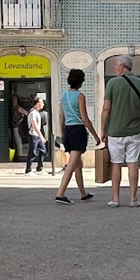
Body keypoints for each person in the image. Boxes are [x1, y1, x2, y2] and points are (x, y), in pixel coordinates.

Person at [99, 54, 140, 208]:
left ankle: (115, 199)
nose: (115, 67)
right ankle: (133, 199)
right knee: (132, 163)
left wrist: (103, 130)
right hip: (134, 132)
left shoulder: (112, 83)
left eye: (116, 65)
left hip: (115, 131)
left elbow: (106, 109)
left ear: (122, 66)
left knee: (116, 164)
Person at [55, 68, 99, 204]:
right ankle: (60, 194)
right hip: (78, 131)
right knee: (72, 164)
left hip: (68, 130)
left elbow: (61, 116)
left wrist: (62, 134)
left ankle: (83, 193)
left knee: (78, 164)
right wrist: (96, 136)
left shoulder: (63, 95)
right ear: (81, 82)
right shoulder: (80, 96)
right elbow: (85, 119)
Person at [25, 95, 46, 174]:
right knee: (32, 152)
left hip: (37, 135)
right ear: (37, 103)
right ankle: (28, 170)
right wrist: (41, 136)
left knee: (43, 150)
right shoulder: (33, 113)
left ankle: (39, 168)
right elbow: (34, 125)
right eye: (41, 102)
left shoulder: (37, 112)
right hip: (33, 135)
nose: (43, 104)